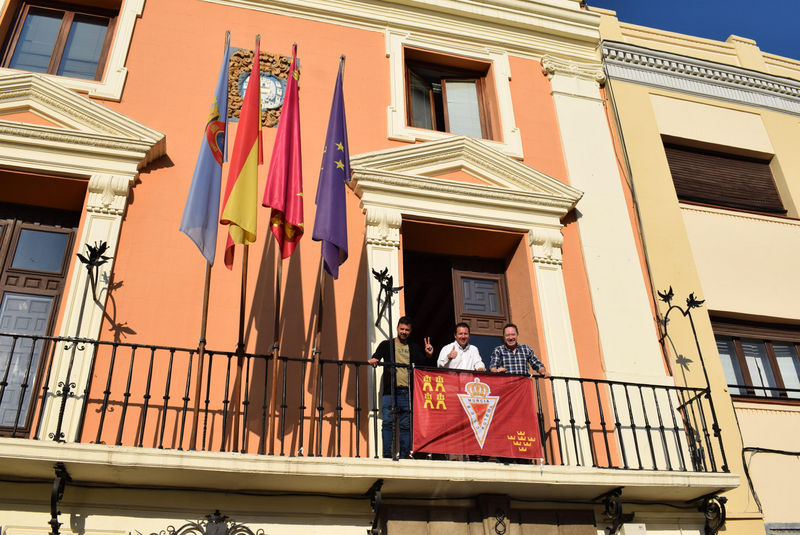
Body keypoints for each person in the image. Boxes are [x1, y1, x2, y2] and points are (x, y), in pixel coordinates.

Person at [368, 316, 434, 458]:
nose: (404, 332)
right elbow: (376, 357)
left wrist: (428, 355)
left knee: (405, 426)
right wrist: (374, 360)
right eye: (402, 329)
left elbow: (422, 365)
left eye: (407, 330)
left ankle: (404, 456)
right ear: (397, 329)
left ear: (410, 332)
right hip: (390, 391)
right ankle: (386, 455)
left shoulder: (414, 347)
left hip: (407, 392)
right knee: (388, 423)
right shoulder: (386, 344)